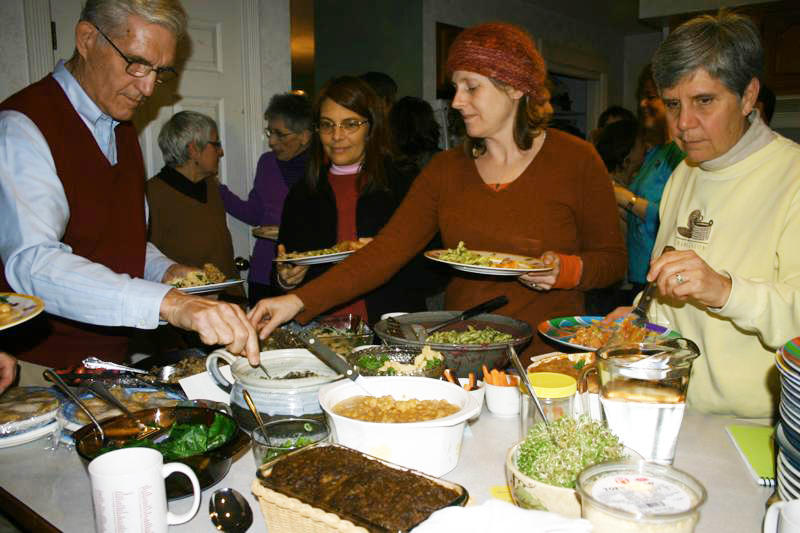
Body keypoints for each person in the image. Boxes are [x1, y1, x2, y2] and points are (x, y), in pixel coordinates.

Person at [250, 22, 626, 366]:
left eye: (471, 87)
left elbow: (612, 261)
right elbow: (385, 252)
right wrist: (297, 301)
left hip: (547, 360)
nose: (457, 100)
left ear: (514, 87)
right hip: (462, 355)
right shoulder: (446, 170)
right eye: (456, 87)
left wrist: (566, 270)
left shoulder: (575, 158)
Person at [0, 0, 258, 371]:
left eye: (160, 71)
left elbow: (120, 245)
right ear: (87, 39)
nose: (149, 86)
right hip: (36, 368)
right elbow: (32, 264)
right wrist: (172, 303)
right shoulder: (22, 127)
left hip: (109, 362)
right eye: (136, 63)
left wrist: (165, 270)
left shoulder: (120, 131)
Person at [613, 12, 800, 418]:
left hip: (759, 423)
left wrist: (723, 290)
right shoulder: (685, 172)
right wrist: (641, 316)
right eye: (673, 104)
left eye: (704, 101)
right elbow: (670, 295)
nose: (683, 124)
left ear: (749, 97)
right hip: (675, 404)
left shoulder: (793, 176)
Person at [273, 76, 430, 323]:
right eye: (327, 125)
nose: (336, 136)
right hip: (323, 331)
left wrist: (386, 255)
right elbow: (284, 265)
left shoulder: (404, 182)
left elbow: (434, 267)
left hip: (391, 328)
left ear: (372, 127)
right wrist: (286, 278)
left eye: (350, 124)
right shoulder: (303, 192)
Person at [219, 93, 312, 305]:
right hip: (263, 271)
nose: (271, 141)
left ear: (305, 136)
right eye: (270, 132)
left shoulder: (323, 170)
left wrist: (290, 232)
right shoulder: (267, 163)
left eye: (280, 134)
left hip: (306, 273)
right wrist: (219, 191)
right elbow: (254, 214)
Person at [147, 111, 241, 296]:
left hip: (229, 303)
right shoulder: (151, 195)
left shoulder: (210, 186)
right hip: (186, 313)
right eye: (216, 145)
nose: (221, 152)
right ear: (193, 150)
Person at [612, 65, 685, 295]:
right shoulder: (655, 153)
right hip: (638, 274)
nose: (643, 104)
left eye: (650, 97)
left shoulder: (681, 155)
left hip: (659, 279)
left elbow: (670, 217)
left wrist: (625, 197)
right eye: (642, 97)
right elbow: (637, 220)